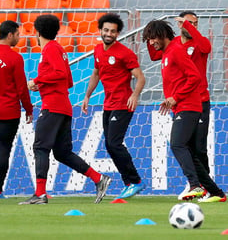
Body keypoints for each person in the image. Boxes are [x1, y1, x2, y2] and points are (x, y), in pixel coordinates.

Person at [20, 14, 111, 205]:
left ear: (37, 32)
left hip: (52, 106)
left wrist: (37, 81)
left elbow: (60, 74)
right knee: (62, 152)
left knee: (40, 147)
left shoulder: (50, 49)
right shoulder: (60, 49)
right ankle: (98, 179)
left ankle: (40, 194)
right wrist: (43, 84)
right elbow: (68, 81)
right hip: (63, 107)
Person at [142, 20, 226, 202]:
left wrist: (176, 97)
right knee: (191, 152)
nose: (151, 42)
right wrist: (171, 99)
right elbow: (155, 55)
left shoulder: (176, 51)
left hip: (189, 106)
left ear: (162, 34)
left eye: (153, 38)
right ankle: (217, 193)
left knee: (177, 144)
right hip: (182, 106)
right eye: (148, 40)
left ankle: (195, 186)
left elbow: (195, 76)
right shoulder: (166, 53)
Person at [81, 13, 146, 199]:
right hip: (108, 104)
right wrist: (87, 96)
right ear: (100, 30)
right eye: (106, 30)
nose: (109, 34)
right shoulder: (98, 50)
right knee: (111, 146)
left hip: (123, 103)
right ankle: (130, 182)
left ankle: (135, 181)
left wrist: (135, 95)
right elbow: (95, 74)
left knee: (114, 143)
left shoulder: (125, 53)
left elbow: (141, 77)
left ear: (118, 34)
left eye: (113, 31)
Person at [0, 21, 33, 199]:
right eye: (18, 34)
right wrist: (29, 108)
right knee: (4, 147)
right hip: (9, 110)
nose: (19, 38)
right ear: (10, 35)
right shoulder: (15, 58)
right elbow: (21, 88)